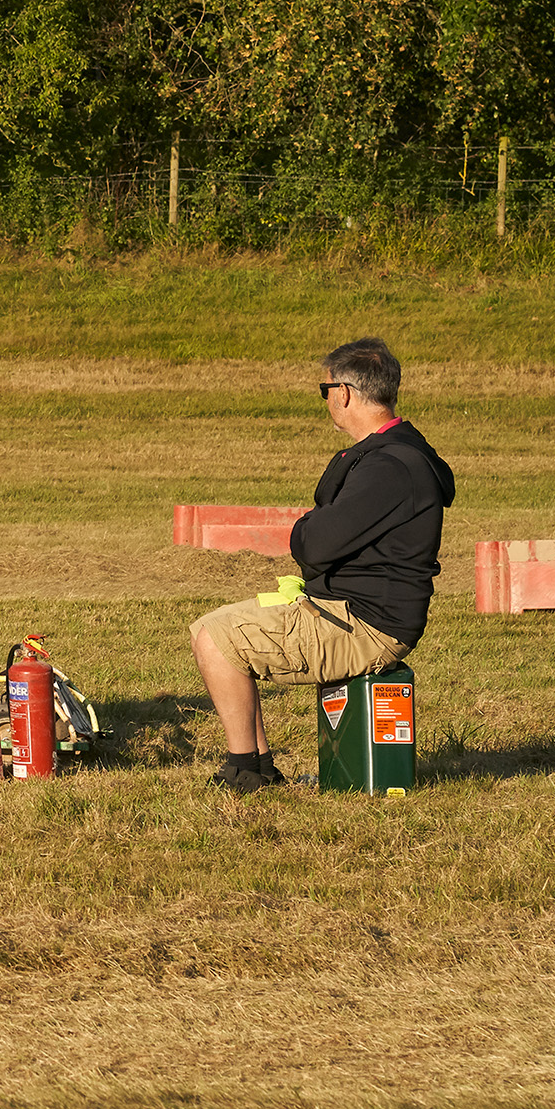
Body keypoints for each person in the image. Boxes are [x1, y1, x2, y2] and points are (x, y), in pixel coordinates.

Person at [193, 337, 454, 795]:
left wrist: (305, 528)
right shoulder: (394, 456)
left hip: (364, 625)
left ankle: (244, 772)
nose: (327, 398)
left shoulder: (389, 468)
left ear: (345, 393)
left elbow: (313, 545)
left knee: (218, 640)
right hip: (350, 609)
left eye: (325, 388)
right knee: (208, 630)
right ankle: (256, 765)